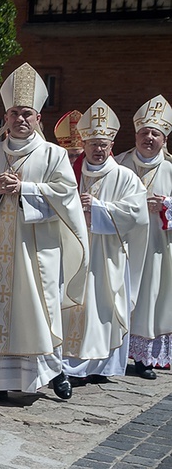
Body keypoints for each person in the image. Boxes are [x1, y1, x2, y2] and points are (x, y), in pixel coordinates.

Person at [0, 62, 89, 402]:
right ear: (5, 118)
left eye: (27, 114)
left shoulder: (53, 154)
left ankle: (52, 372)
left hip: (36, 251)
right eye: (14, 113)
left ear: (38, 119)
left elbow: (66, 197)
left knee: (38, 309)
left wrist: (27, 189)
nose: (20, 119)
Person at [61, 100, 148, 386]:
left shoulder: (125, 177)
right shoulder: (69, 173)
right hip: (73, 253)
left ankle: (100, 366)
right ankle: (71, 366)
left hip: (108, 256)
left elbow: (137, 215)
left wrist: (97, 209)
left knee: (102, 309)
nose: (97, 149)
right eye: (92, 144)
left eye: (103, 144)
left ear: (111, 145)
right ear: (83, 144)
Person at [117, 94, 172, 380]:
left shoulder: (170, 169)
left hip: (156, 249)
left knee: (149, 297)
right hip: (121, 245)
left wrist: (165, 206)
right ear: (135, 135)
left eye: (155, 134)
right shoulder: (118, 164)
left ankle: (143, 358)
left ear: (164, 140)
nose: (148, 138)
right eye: (143, 132)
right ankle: (111, 353)